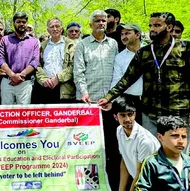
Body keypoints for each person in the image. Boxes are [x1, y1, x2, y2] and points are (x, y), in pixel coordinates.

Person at [98, 12, 190, 152]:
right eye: (150, 25)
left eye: (157, 25)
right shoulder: (144, 52)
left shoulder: (188, 49)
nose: (152, 29)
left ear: (169, 27)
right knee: (152, 156)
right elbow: (127, 79)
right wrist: (108, 98)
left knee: (178, 157)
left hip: (179, 113)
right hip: (151, 115)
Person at [73, 9, 118, 190]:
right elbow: (78, 71)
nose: (101, 23)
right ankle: (87, 184)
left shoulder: (113, 44)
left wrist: (112, 96)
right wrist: (84, 92)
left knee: (110, 144)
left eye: (104, 21)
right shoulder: (82, 45)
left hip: (109, 102)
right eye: (97, 21)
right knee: (86, 145)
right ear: (90, 25)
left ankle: (111, 182)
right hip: (88, 102)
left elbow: (118, 71)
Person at [134, 116, 190, 190]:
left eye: (183, 137)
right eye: (174, 136)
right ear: (160, 137)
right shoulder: (152, 163)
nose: (180, 141)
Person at [113, 96, 160, 191]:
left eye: (130, 114)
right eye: (123, 115)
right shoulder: (119, 131)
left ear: (135, 114)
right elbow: (125, 161)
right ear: (115, 116)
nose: (127, 119)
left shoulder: (145, 141)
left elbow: (140, 174)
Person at [0, 12, 40, 105]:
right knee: (6, 113)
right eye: (18, 21)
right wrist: (12, 75)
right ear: (14, 23)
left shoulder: (34, 41)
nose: (21, 24)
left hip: (25, 82)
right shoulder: (5, 39)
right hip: (7, 81)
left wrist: (21, 75)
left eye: (24, 22)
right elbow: (1, 59)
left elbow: (35, 61)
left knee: (24, 113)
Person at [33, 17, 76, 104]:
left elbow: (74, 66)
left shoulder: (71, 45)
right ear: (48, 30)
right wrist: (43, 79)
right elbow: (37, 65)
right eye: (52, 27)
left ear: (61, 29)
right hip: (45, 87)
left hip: (64, 88)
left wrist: (58, 78)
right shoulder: (42, 46)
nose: (55, 29)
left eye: (57, 26)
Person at [110, 24, 143, 121]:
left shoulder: (151, 52)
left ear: (137, 35)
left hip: (151, 100)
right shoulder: (120, 57)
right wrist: (111, 100)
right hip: (130, 101)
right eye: (122, 34)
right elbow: (117, 80)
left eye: (127, 33)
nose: (124, 37)